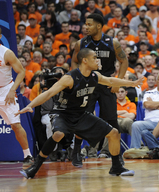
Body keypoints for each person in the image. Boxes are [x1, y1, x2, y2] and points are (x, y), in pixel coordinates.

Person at [16, 48, 143, 179]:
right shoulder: (70, 78)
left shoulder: (95, 76)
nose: (97, 60)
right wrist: (30, 105)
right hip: (62, 114)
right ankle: (35, 166)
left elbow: (111, 81)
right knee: (58, 134)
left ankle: (116, 167)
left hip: (81, 115)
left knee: (114, 133)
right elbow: (48, 93)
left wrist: (132, 83)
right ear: (85, 60)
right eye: (94, 58)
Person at [71, 13, 128, 166]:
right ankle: (76, 152)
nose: (86, 27)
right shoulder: (81, 43)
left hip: (106, 83)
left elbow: (124, 61)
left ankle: (117, 156)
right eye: (86, 24)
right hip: (87, 84)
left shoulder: (112, 42)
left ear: (98, 26)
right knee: (82, 116)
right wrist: (77, 81)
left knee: (111, 119)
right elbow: (74, 63)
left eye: (89, 24)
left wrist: (118, 82)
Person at [0, 28, 33, 164]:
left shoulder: (6, 53)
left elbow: (21, 72)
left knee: (15, 125)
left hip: (6, 90)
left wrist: (12, 90)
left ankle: (28, 155)